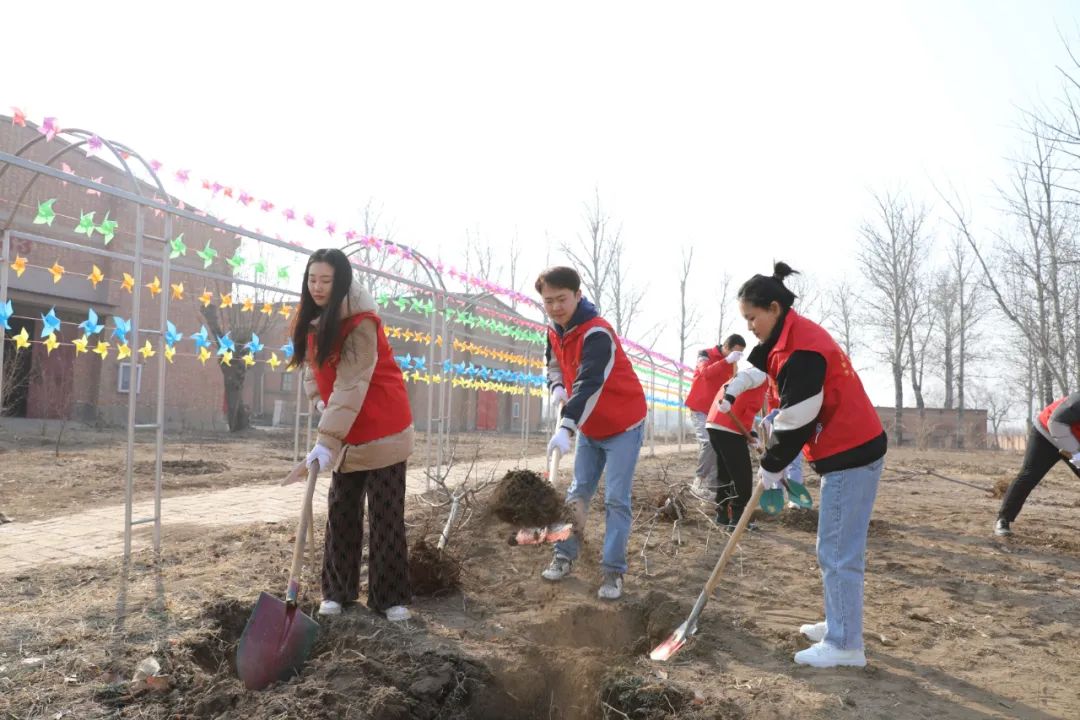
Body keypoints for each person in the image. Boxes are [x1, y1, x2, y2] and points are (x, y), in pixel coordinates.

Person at [716, 262, 887, 668]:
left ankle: (845, 644)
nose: (750, 327)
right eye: (745, 319)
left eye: (752, 318)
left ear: (774, 309)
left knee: (838, 551)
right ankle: (839, 622)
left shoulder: (803, 350)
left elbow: (797, 417)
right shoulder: (788, 337)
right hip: (845, 450)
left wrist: (772, 463)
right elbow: (764, 368)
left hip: (852, 453)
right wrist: (736, 385)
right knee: (834, 547)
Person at [284, 248, 414, 621]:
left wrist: (326, 440)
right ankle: (337, 592)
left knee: (386, 514)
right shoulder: (311, 319)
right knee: (341, 510)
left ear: (341, 282)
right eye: (312, 279)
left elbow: (352, 382)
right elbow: (312, 369)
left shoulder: (361, 322)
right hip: (346, 427)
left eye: (326, 280)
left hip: (382, 425)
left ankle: (390, 598)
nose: (318, 287)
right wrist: (319, 403)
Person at [538, 266, 647, 600]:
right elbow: (553, 363)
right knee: (578, 491)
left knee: (616, 498)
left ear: (578, 296)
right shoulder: (554, 331)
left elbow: (589, 383)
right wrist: (557, 386)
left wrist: (566, 427)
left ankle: (613, 572)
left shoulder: (597, 333)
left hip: (623, 423)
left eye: (561, 299)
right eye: (548, 301)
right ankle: (563, 555)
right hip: (590, 425)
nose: (555, 307)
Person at [995, 392, 1080, 536]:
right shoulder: (1078, 401)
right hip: (1046, 433)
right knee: (1029, 475)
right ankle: (1003, 519)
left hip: (1074, 440)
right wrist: (1076, 455)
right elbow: (1056, 423)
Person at [684, 336, 746, 495]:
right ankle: (699, 480)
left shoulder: (733, 366)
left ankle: (713, 490)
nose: (738, 356)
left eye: (741, 354)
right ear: (726, 347)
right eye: (736, 352)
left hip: (716, 412)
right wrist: (726, 361)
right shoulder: (705, 354)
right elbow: (705, 373)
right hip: (699, 408)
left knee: (717, 447)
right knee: (709, 442)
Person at [706, 376, 767, 528]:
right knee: (742, 476)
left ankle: (723, 514)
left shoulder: (761, 381)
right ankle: (738, 518)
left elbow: (745, 411)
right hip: (728, 426)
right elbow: (740, 381)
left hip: (717, 425)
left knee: (726, 473)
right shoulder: (759, 373)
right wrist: (728, 399)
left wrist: (752, 435)